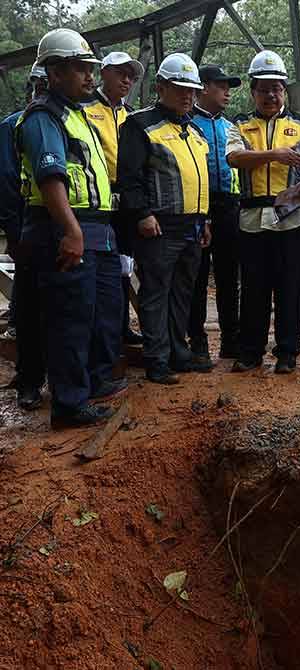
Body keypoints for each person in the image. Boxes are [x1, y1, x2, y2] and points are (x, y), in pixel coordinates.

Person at [16, 29, 123, 428]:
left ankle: (89, 389)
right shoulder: (43, 118)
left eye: (90, 69)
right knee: (70, 321)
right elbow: (50, 177)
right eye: (81, 69)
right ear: (56, 72)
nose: (89, 77)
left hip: (94, 229)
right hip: (64, 228)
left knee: (96, 314)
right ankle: (69, 404)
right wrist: (71, 231)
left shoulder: (75, 115)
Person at [226, 50, 300, 374]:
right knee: (254, 288)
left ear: (284, 90)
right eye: (263, 89)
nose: (270, 95)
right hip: (253, 218)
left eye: (276, 88)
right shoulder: (240, 124)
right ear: (253, 91)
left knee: (290, 288)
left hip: (293, 218)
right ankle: (250, 352)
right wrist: (274, 154)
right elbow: (234, 158)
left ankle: (287, 353)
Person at [117, 53, 212, 385]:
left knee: (182, 293)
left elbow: (199, 179)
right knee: (156, 292)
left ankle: (177, 352)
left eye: (192, 90)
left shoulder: (195, 131)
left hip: (193, 225)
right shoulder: (140, 125)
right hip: (160, 226)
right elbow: (129, 177)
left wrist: (206, 219)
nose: (188, 95)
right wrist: (142, 214)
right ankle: (157, 360)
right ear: (160, 87)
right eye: (179, 88)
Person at [82, 51, 145, 347]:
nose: (127, 80)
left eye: (131, 75)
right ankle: (98, 333)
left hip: (126, 201)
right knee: (96, 268)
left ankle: (120, 328)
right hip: (96, 202)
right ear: (103, 72)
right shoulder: (84, 108)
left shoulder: (131, 114)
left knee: (123, 266)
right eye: (121, 73)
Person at [188, 64, 242, 360]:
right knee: (196, 278)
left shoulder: (230, 126)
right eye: (222, 86)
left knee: (228, 276)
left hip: (230, 207)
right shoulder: (188, 124)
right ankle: (197, 343)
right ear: (204, 87)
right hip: (199, 206)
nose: (227, 92)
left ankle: (231, 340)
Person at [2, 65, 48, 410]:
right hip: (29, 225)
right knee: (31, 307)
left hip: (67, 224)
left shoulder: (74, 121)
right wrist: (15, 234)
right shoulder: (13, 126)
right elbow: (6, 183)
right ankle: (29, 381)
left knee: (67, 308)